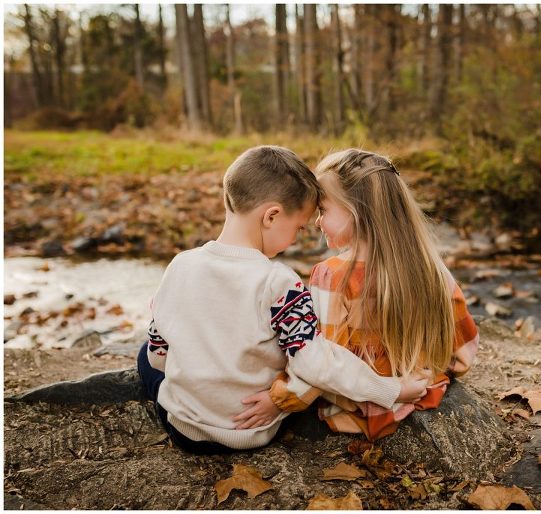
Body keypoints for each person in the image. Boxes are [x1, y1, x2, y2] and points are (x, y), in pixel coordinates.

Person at [136, 145, 428, 454]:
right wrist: (391, 390)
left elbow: (158, 356)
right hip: (255, 431)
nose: (297, 237)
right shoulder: (281, 284)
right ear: (271, 216)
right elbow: (317, 364)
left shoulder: (180, 265)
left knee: (144, 354)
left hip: (185, 430)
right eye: (298, 227)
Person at [261, 148, 479, 441]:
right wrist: (425, 373)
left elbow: (319, 362)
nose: (317, 222)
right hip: (420, 392)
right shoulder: (431, 268)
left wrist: (282, 398)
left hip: (356, 409)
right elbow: (462, 354)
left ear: (356, 212)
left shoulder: (332, 276)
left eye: (323, 210)